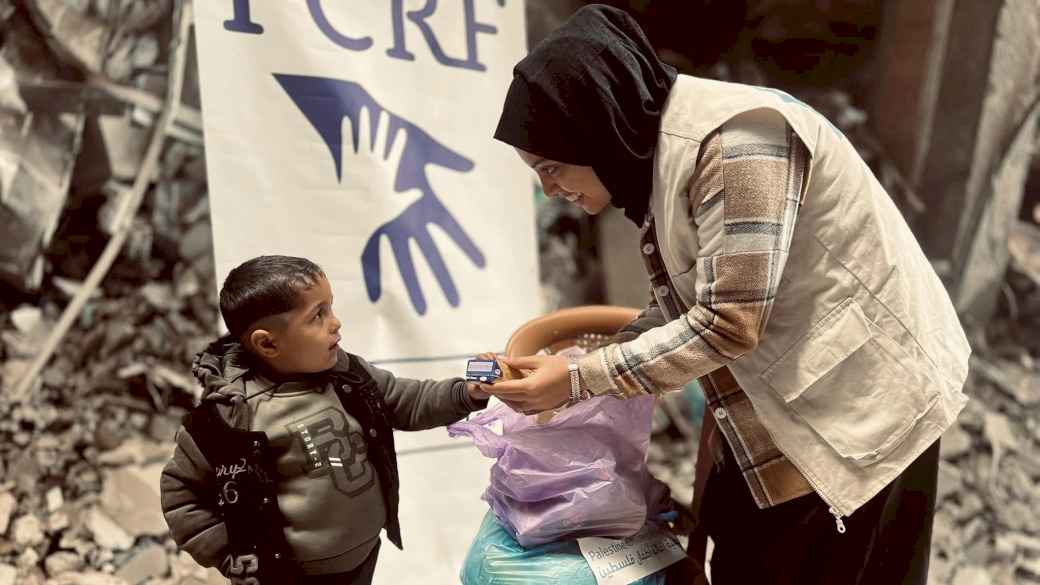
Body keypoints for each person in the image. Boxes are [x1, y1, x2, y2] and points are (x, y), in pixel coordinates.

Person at [487, 4, 970, 584]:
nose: (551, 188)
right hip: (786, 395)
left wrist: (576, 379)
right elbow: (685, 306)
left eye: (553, 166)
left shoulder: (739, 146)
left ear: (597, 125)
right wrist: (576, 368)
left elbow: (725, 323)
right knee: (738, 549)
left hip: (864, 402)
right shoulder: (661, 160)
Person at [159, 255, 492, 585]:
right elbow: (181, 494)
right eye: (318, 315)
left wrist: (467, 393)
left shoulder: (346, 373)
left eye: (330, 307)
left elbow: (407, 399)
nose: (335, 323)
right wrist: (232, 555)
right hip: (289, 578)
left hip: (362, 558)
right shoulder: (230, 419)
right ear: (268, 343)